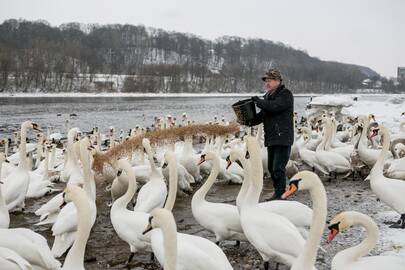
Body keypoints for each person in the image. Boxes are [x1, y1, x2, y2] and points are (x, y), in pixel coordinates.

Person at [249, 68, 294, 200]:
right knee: (271, 167)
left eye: (270, 80)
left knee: (278, 168)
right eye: (266, 81)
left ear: (278, 81)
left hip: (283, 137)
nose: (267, 83)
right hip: (271, 137)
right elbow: (263, 115)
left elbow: (275, 107)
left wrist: (259, 102)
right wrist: (249, 120)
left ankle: (281, 195)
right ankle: (278, 192)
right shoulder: (268, 96)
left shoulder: (285, 94)